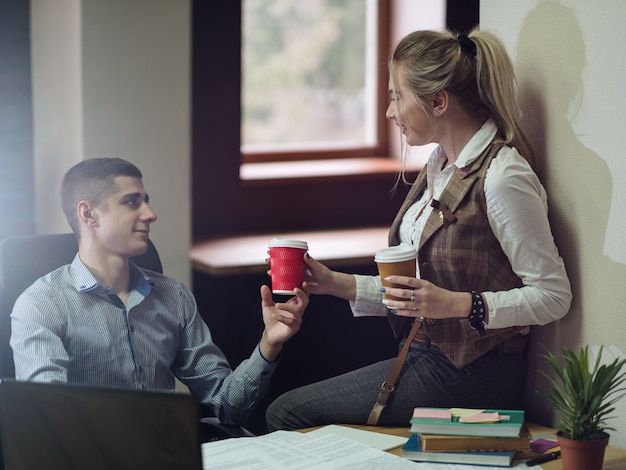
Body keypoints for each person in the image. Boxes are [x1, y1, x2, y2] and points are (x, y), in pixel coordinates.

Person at [265, 28, 572, 431]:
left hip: (476, 373)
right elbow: (418, 294)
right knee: (287, 410)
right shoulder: (439, 167)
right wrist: (335, 283)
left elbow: (554, 295)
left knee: (285, 413)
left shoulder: (503, 177)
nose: (390, 112)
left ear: (438, 102)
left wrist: (464, 304)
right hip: (424, 353)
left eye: (396, 96)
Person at [10, 157, 309, 426]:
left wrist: (269, 343)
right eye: (132, 202)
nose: (150, 214)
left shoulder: (173, 296)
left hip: (166, 454)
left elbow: (227, 406)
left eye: (147, 201)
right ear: (88, 214)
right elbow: (48, 422)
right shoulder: (41, 305)